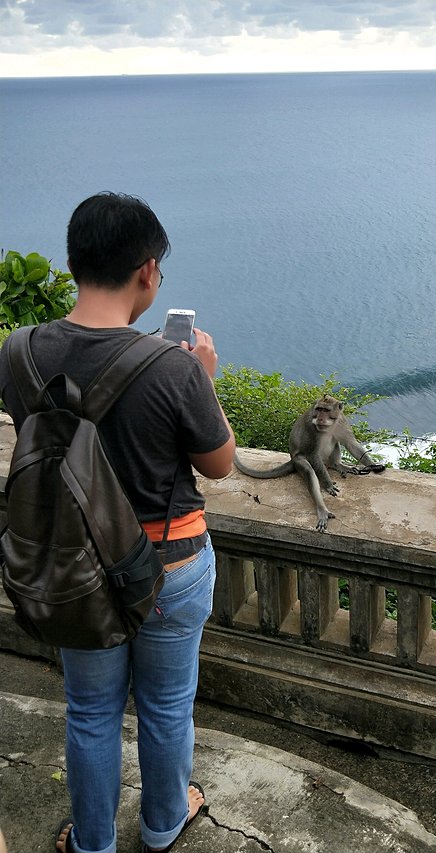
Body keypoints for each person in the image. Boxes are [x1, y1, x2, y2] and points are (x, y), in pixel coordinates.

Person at [0, 192, 236, 853]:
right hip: (168, 566)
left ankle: (93, 842)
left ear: (73, 263)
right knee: (165, 708)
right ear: (149, 273)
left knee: (90, 712)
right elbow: (218, 463)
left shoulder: (19, 352)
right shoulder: (172, 366)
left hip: (72, 565)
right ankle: (163, 826)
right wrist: (204, 379)